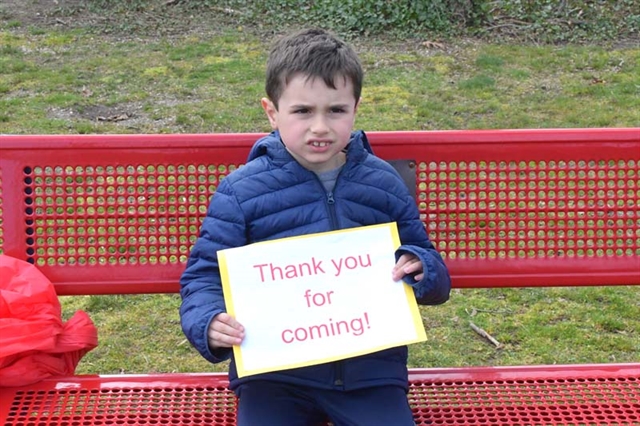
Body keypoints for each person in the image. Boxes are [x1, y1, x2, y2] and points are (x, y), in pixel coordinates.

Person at [180, 28, 451, 425]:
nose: (320, 127)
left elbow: (431, 266)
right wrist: (207, 322)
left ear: (356, 108)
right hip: (274, 377)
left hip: (370, 374)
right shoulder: (241, 191)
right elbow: (203, 275)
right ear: (272, 112)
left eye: (336, 110)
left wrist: (422, 267)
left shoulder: (382, 184)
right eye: (303, 111)